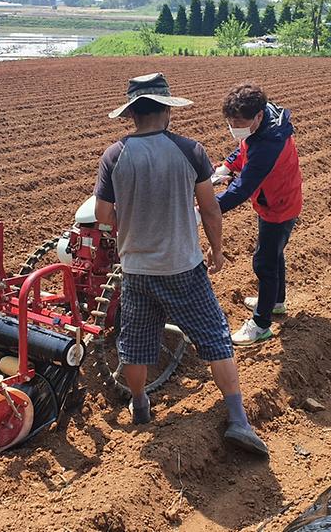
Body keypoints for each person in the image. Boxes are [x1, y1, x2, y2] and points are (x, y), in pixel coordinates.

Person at [93, 72, 268, 456]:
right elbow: (210, 209)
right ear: (167, 110)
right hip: (183, 268)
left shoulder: (114, 155)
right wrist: (217, 251)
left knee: (134, 345)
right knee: (215, 337)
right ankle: (238, 420)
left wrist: (131, 224)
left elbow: (103, 215)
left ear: (132, 114)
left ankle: (141, 406)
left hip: (136, 269)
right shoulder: (190, 151)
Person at [213, 83, 303, 346]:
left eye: (239, 123)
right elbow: (246, 146)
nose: (234, 127)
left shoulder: (269, 143)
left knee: (264, 263)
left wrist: (205, 210)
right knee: (274, 254)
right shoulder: (264, 125)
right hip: (276, 200)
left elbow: (242, 189)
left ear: (258, 116)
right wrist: (226, 167)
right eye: (230, 122)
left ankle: (261, 324)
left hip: (279, 206)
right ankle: (276, 302)